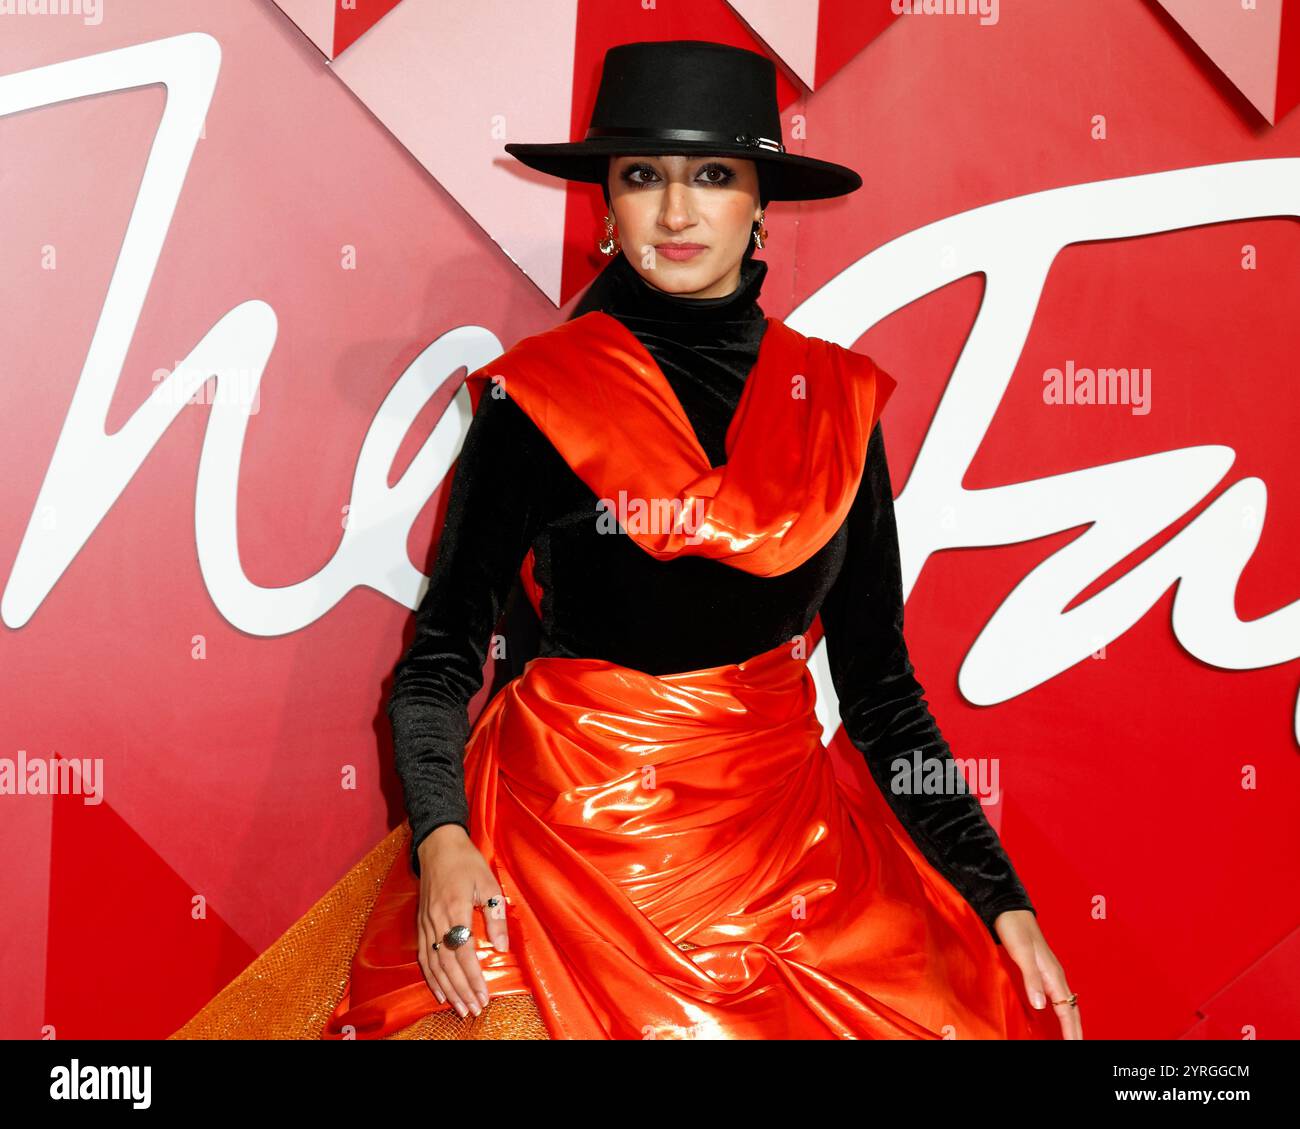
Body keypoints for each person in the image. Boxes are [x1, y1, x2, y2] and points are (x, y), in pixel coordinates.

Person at [172, 39, 1079, 1041]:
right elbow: (438, 662)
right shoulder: (538, 396)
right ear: (604, 205)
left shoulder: (834, 403)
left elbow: (880, 691)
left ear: (759, 205)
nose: (678, 212)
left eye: (712, 177)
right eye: (643, 177)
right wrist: (441, 840)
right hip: (559, 854)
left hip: (787, 863)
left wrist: (1000, 895)